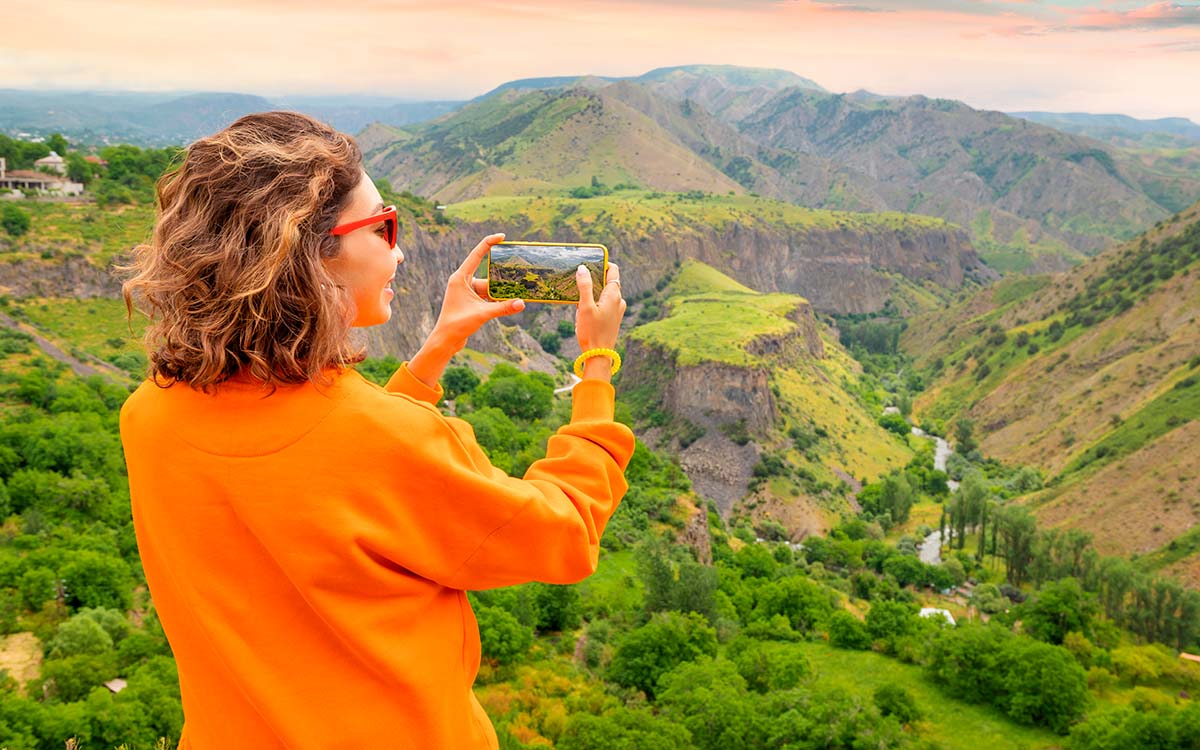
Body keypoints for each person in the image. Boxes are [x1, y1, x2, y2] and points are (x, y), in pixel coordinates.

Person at [118, 111, 635, 749]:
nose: (400, 247)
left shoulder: (149, 416)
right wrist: (595, 367)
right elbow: (565, 532)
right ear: (307, 257)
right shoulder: (385, 440)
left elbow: (324, 481)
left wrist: (435, 352)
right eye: (384, 225)